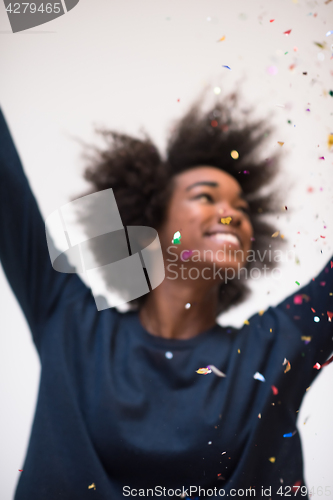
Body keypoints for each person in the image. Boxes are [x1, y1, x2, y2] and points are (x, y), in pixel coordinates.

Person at [0, 94, 332, 500]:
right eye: (206, 197)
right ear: (151, 220)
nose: (234, 215)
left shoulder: (272, 347)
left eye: (242, 207)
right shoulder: (70, 323)